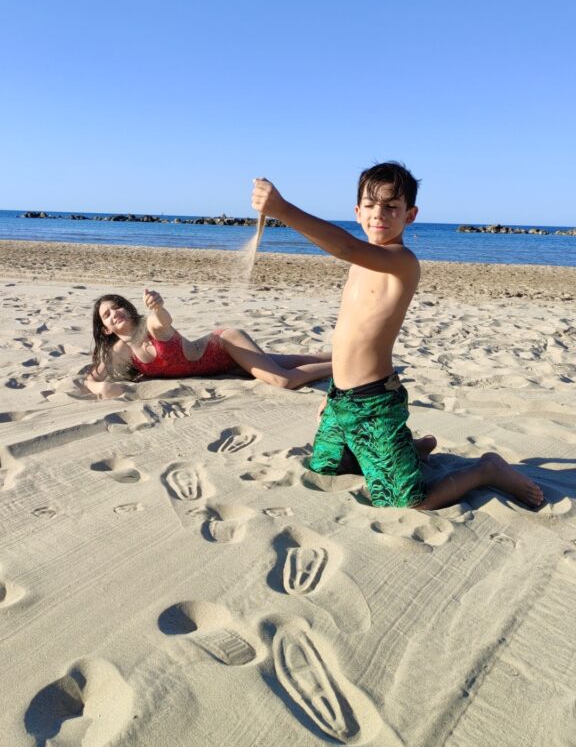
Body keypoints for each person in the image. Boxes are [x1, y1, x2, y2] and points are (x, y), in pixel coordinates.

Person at [252, 162, 544, 510]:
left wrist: (282, 209)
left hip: (374, 402)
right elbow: (350, 330)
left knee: (409, 501)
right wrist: (334, 394)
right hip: (341, 397)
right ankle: (407, 450)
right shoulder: (363, 261)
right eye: (371, 206)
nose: (380, 214)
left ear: (411, 215)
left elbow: (344, 246)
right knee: (327, 465)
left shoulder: (401, 260)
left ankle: (487, 469)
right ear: (358, 212)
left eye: (392, 206)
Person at [85, 289, 332, 399]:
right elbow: (91, 379)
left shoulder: (148, 324)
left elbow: (162, 321)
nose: (114, 313)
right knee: (301, 361)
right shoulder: (119, 352)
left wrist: (158, 307)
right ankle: (349, 356)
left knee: (283, 380)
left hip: (225, 344)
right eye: (106, 315)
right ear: (106, 329)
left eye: (116, 306)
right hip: (222, 368)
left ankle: (347, 366)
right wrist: (101, 389)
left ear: (127, 309)